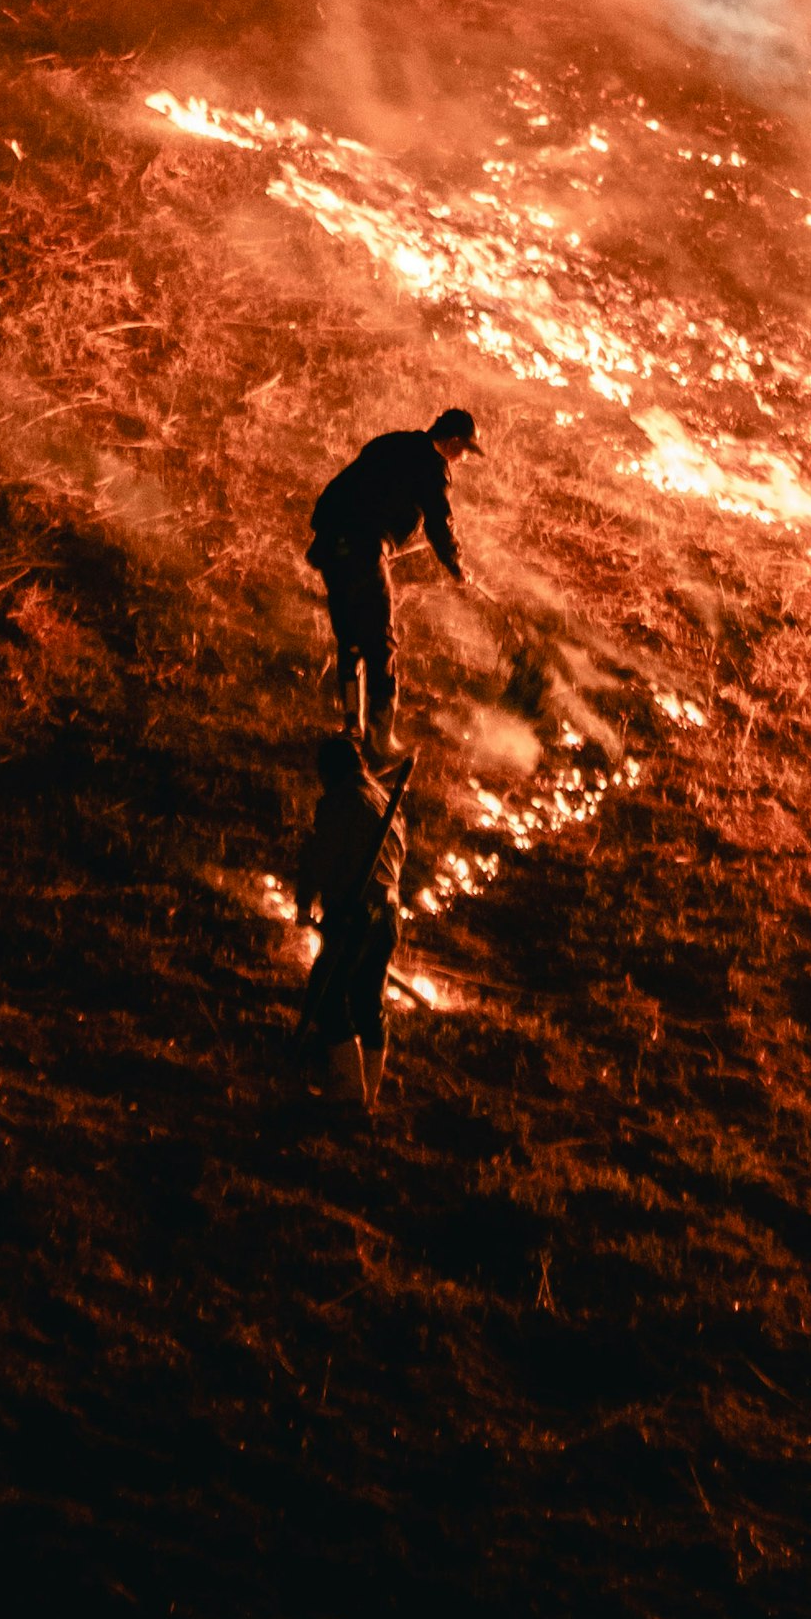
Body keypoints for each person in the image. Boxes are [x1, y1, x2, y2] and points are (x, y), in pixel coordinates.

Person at [306, 405, 474, 748]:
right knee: (381, 645)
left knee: (350, 643)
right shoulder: (432, 465)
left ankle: (352, 727)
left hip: (331, 543)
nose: (464, 458)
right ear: (454, 440)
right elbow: (439, 523)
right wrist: (456, 567)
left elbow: (356, 486)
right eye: (466, 450)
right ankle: (381, 737)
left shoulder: (392, 443)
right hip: (364, 548)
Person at [287, 729, 410, 1116]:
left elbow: (321, 857)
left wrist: (305, 902)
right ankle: (368, 1092)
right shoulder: (385, 799)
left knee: (325, 998)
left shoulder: (342, 801)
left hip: (355, 912)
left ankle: (350, 1091)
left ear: (330, 771)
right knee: (366, 1000)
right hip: (388, 914)